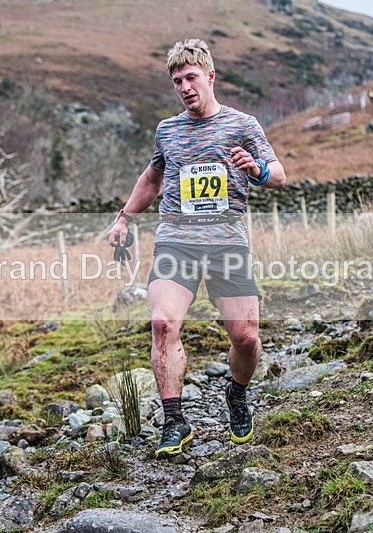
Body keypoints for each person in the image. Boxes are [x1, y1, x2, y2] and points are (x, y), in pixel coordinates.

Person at [106, 39, 286, 460]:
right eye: (177, 81)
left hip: (226, 242)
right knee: (163, 325)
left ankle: (236, 393)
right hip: (176, 240)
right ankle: (174, 420)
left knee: (245, 336)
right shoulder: (167, 130)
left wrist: (256, 168)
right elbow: (152, 180)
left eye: (191, 78)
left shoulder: (243, 125)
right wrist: (124, 218)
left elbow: (278, 175)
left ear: (210, 76)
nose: (185, 87)